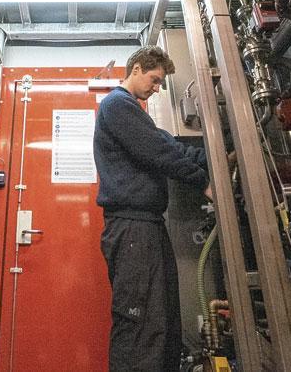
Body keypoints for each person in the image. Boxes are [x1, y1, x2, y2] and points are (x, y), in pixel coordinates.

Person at [94, 45, 211, 372]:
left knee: (159, 321)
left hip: (145, 228)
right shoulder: (117, 105)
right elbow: (159, 152)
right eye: (155, 79)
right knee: (140, 323)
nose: (157, 88)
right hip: (133, 230)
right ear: (135, 69)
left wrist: (213, 157)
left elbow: (169, 146)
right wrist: (203, 182)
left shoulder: (134, 113)